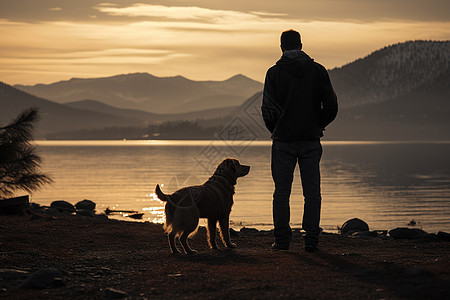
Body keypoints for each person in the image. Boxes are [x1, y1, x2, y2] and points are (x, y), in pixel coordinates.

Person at [261, 29, 338, 252]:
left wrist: (276, 129)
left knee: (281, 193)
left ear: (281, 47)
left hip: (283, 140)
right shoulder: (318, 71)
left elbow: (267, 109)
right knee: (312, 193)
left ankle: (283, 241)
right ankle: (311, 241)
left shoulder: (273, 73)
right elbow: (331, 105)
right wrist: (318, 125)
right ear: (301, 45)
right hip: (310, 140)